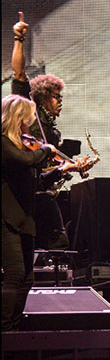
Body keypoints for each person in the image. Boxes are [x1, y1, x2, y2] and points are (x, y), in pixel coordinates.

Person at [2, 94, 75, 331]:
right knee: (15, 274)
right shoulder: (4, 143)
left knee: (27, 277)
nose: (30, 124)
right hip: (6, 219)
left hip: (25, 219)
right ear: (18, 117)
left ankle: (14, 329)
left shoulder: (22, 146)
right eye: (28, 118)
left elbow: (37, 181)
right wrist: (46, 149)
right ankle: (5, 329)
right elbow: (24, 160)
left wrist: (60, 171)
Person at [10, 13, 72, 251]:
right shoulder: (30, 113)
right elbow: (19, 75)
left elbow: (45, 172)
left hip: (36, 190)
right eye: (56, 97)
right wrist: (19, 39)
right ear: (43, 97)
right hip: (21, 193)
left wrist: (69, 168)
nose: (60, 101)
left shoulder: (53, 134)